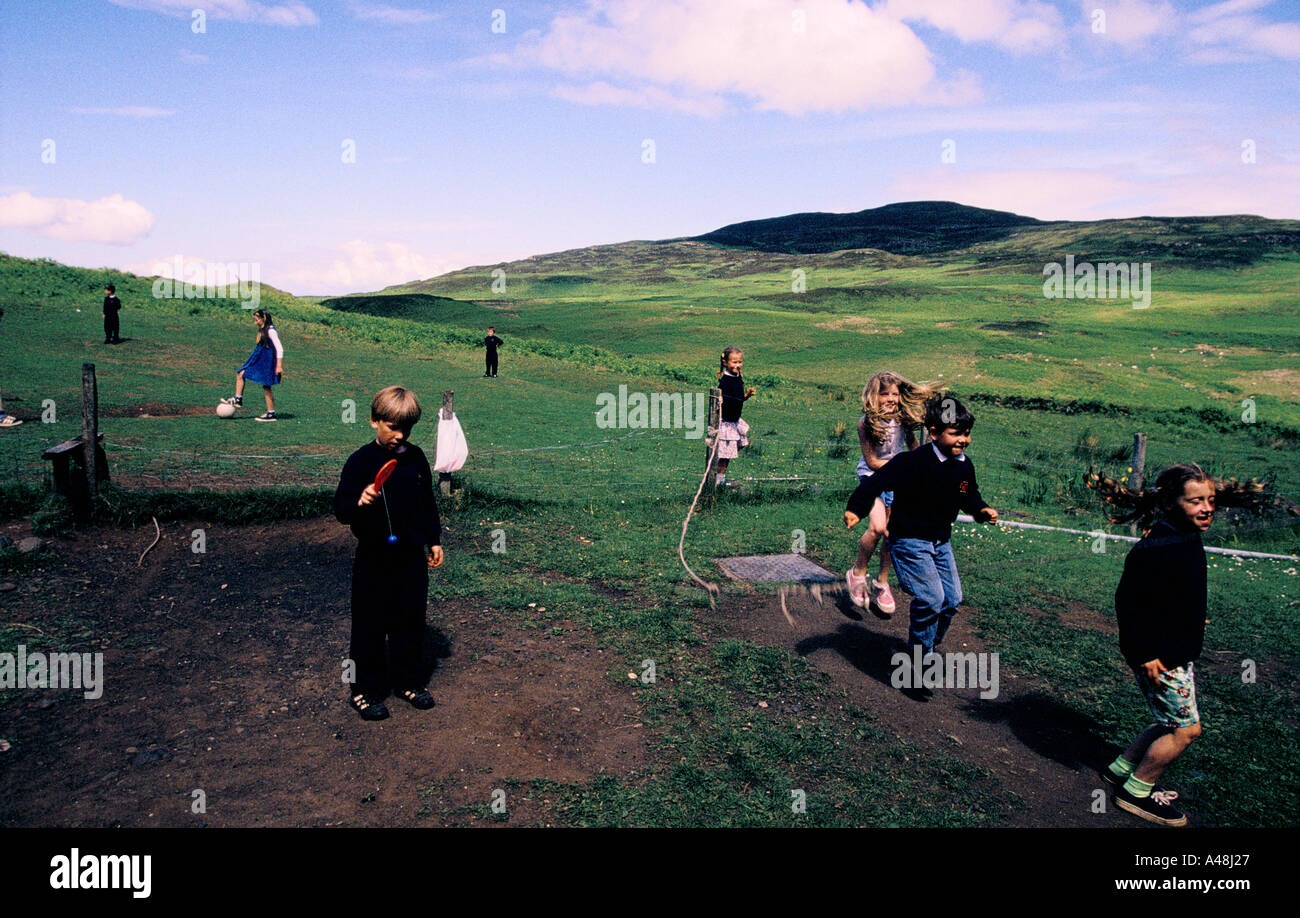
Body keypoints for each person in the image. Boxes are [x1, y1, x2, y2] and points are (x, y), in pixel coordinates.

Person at [845, 395, 998, 692]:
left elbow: (967, 494)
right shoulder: (912, 463)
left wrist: (980, 510)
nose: (963, 440)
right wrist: (856, 508)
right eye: (956, 433)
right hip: (910, 541)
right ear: (932, 430)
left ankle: (924, 645)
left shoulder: (963, 468)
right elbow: (876, 482)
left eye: (967, 434)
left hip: (940, 543)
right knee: (930, 599)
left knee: (951, 600)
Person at [332, 386, 444, 721]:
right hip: (374, 557)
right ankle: (364, 691)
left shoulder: (416, 457)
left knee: (409, 620)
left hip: (410, 555)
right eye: (391, 427)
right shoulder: (360, 462)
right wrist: (359, 501)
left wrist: (433, 539)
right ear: (373, 421)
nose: (399, 435)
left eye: (405, 428)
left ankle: (408, 681)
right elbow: (340, 509)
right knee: (369, 625)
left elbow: (427, 504)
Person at [846, 371, 932, 617]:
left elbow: (914, 448)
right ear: (875, 396)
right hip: (873, 480)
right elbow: (872, 461)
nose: (891, 399)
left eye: (895, 394)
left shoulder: (903, 421)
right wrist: (902, 466)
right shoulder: (866, 423)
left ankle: (882, 583)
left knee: (891, 534)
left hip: (898, 482)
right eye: (885, 394)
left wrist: (922, 463)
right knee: (876, 527)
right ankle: (858, 573)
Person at [220, 309, 283, 422]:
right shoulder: (263, 330)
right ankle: (238, 400)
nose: (255, 322)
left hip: (267, 362)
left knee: (266, 386)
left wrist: (279, 366)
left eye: (257, 320)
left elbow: (279, 348)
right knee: (240, 373)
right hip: (259, 359)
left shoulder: (271, 331)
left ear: (263, 318)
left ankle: (271, 414)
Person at [712, 346, 755, 488]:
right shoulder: (726, 381)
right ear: (725, 363)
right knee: (724, 454)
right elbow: (726, 402)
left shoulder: (737, 378)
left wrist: (746, 396)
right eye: (734, 362)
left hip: (734, 421)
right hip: (726, 422)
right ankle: (717, 481)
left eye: (739, 362)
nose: (737, 365)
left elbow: (737, 399)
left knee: (729, 453)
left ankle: (720, 479)